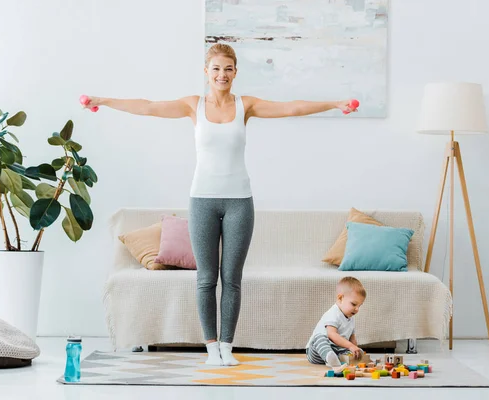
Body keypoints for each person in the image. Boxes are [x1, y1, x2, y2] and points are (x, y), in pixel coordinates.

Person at [82, 43, 359, 366]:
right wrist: (102, 101)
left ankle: (227, 347)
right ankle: (211, 349)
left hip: (240, 202)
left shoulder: (247, 106)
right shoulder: (192, 106)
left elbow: (292, 108)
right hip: (202, 201)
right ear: (206, 72)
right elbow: (147, 107)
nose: (221, 74)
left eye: (228, 69)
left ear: (235, 72)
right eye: (215, 68)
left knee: (232, 278)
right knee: (205, 279)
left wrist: (335, 104)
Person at [306, 276, 366, 372]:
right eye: (354, 304)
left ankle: (334, 360)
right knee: (319, 337)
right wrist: (350, 346)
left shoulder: (351, 317)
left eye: (360, 305)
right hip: (316, 352)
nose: (357, 309)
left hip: (336, 350)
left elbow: (352, 339)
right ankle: (330, 356)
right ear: (340, 298)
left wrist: (355, 349)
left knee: (355, 351)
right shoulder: (333, 313)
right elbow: (331, 334)